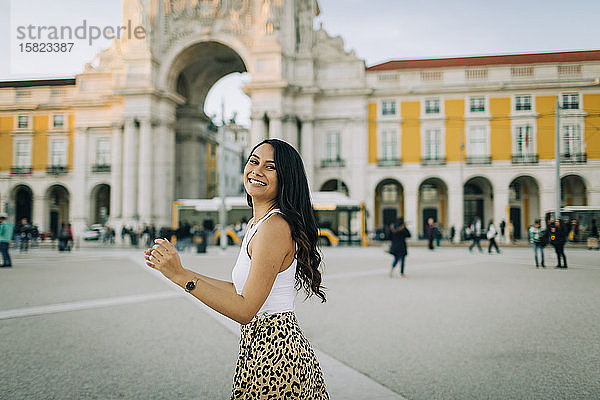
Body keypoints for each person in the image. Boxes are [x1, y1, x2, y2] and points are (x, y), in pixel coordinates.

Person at [144, 139, 329, 398]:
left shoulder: (274, 227)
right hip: (263, 347)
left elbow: (245, 309)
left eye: (270, 167)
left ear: (286, 178)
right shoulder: (258, 223)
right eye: (253, 161)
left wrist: (181, 276)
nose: (257, 170)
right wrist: (179, 271)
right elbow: (240, 290)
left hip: (276, 353)